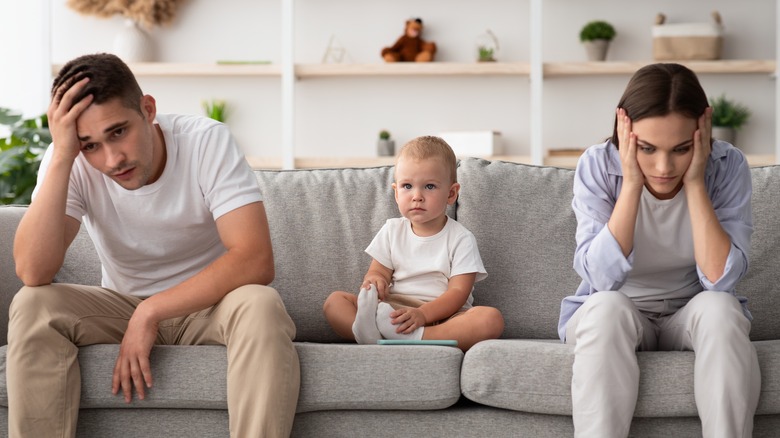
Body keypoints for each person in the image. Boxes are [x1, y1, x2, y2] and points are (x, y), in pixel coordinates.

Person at [9, 53, 300, 437]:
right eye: (90, 145)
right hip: (119, 308)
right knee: (32, 304)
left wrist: (150, 312)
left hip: (211, 307)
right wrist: (64, 153)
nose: (113, 159)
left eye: (118, 131)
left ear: (148, 109)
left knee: (261, 303)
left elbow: (255, 259)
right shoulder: (70, 158)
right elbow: (33, 271)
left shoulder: (205, 141)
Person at [558, 62, 761, 437]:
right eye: (647, 148)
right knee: (605, 307)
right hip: (618, 312)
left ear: (703, 131)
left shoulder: (727, 165)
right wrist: (632, 183)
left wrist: (696, 184)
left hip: (690, 313)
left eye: (682, 149)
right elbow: (600, 278)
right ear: (625, 130)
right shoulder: (598, 165)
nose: (664, 167)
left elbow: (721, 279)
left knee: (722, 309)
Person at [323, 136, 504, 351]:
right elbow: (378, 272)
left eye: (429, 186)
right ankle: (368, 332)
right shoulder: (392, 230)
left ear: (451, 193)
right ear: (396, 193)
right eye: (407, 186)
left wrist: (423, 315)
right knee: (334, 302)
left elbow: (458, 293)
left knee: (491, 319)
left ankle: (423, 336)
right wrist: (375, 281)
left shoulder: (461, 238)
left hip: (443, 315)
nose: (417, 196)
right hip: (393, 311)